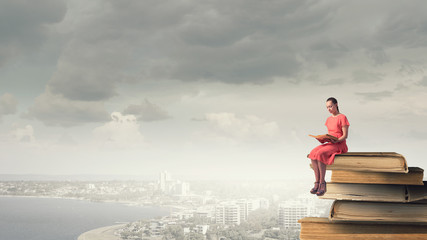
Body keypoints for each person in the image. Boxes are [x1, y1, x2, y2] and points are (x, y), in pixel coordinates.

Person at [308, 97, 349, 196]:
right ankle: (317, 182)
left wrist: (337, 140)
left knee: (321, 153)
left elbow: (345, 136)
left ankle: (322, 182)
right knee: (313, 153)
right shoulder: (329, 119)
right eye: (327, 107)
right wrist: (324, 138)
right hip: (331, 143)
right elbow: (330, 133)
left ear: (336, 104)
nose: (329, 109)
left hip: (339, 144)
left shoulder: (342, 117)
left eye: (330, 106)